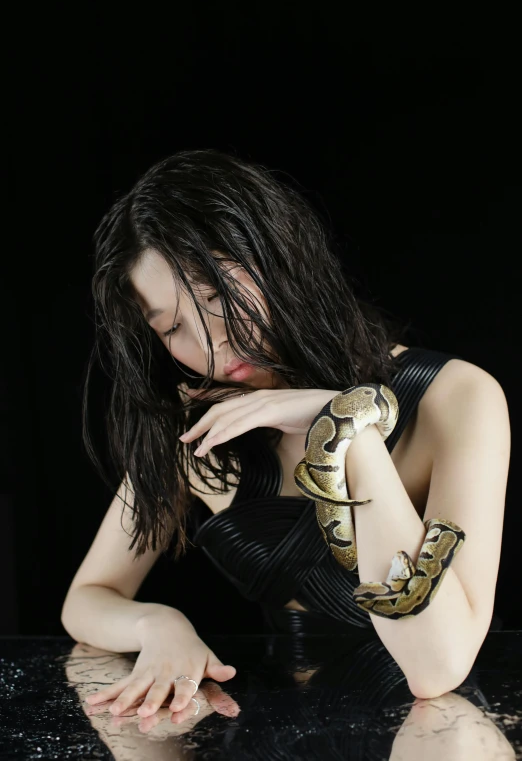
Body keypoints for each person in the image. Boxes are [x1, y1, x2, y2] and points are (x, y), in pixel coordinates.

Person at [61, 148, 510, 722]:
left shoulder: (457, 398)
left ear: (278, 254)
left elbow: (436, 667)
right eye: (172, 327)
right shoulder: (197, 430)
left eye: (219, 294)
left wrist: (348, 426)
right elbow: (88, 598)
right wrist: (158, 624)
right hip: (274, 724)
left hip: (444, 729)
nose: (212, 342)